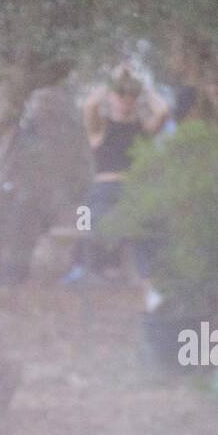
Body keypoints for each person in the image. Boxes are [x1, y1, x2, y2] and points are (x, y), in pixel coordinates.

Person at [64, 67, 169, 283]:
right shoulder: (101, 127)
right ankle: (83, 268)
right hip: (102, 192)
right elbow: (89, 105)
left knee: (148, 228)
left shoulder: (143, 129)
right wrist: (111, 80)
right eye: (120, 95)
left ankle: (149, 281)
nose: (125, 100)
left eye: (129, 96)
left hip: (132, 193)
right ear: (112, 97)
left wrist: (144, 89)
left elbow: (163, 111)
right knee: (84, 220)